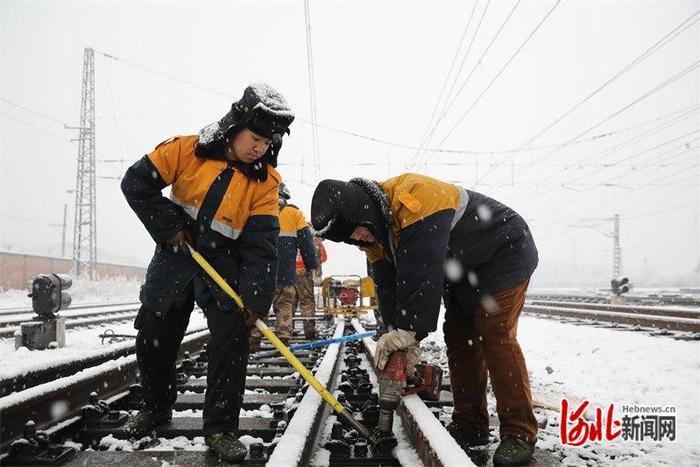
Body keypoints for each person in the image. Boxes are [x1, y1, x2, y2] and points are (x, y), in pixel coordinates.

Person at [310, 174, 539, 466]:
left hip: (504, 253)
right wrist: (394, 337)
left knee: (493, 332)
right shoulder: (375, 235)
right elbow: (389, 290)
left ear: (364, 211)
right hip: (463, 271)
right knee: (458, 337)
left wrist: (411, 332)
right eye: (352, 239)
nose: (359, 240)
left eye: (358, 233)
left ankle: (519, 432)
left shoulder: (415, 198)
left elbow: (420, 269)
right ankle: (471, 425)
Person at [121, 83, 294, 463]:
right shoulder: (186, 150)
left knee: (232, 336)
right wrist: (168, 226)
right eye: (255, 138)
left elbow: (261, 243)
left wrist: (257, 297)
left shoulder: (266, 183)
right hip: (176, 252)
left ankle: (220, 429)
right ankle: (155, 407)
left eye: (267, 142)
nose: (259, 148)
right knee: (155, 329)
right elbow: (135, 184)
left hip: (224, 263)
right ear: (235, 126)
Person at [249, 183, 319, 351]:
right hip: (285, 271)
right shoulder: (294, 214)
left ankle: (254, 339)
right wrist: (311, 265)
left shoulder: (255, 210)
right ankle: (283, 338)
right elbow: (307, 244)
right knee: (285, 304)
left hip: (259, 270)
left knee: (258, 304)